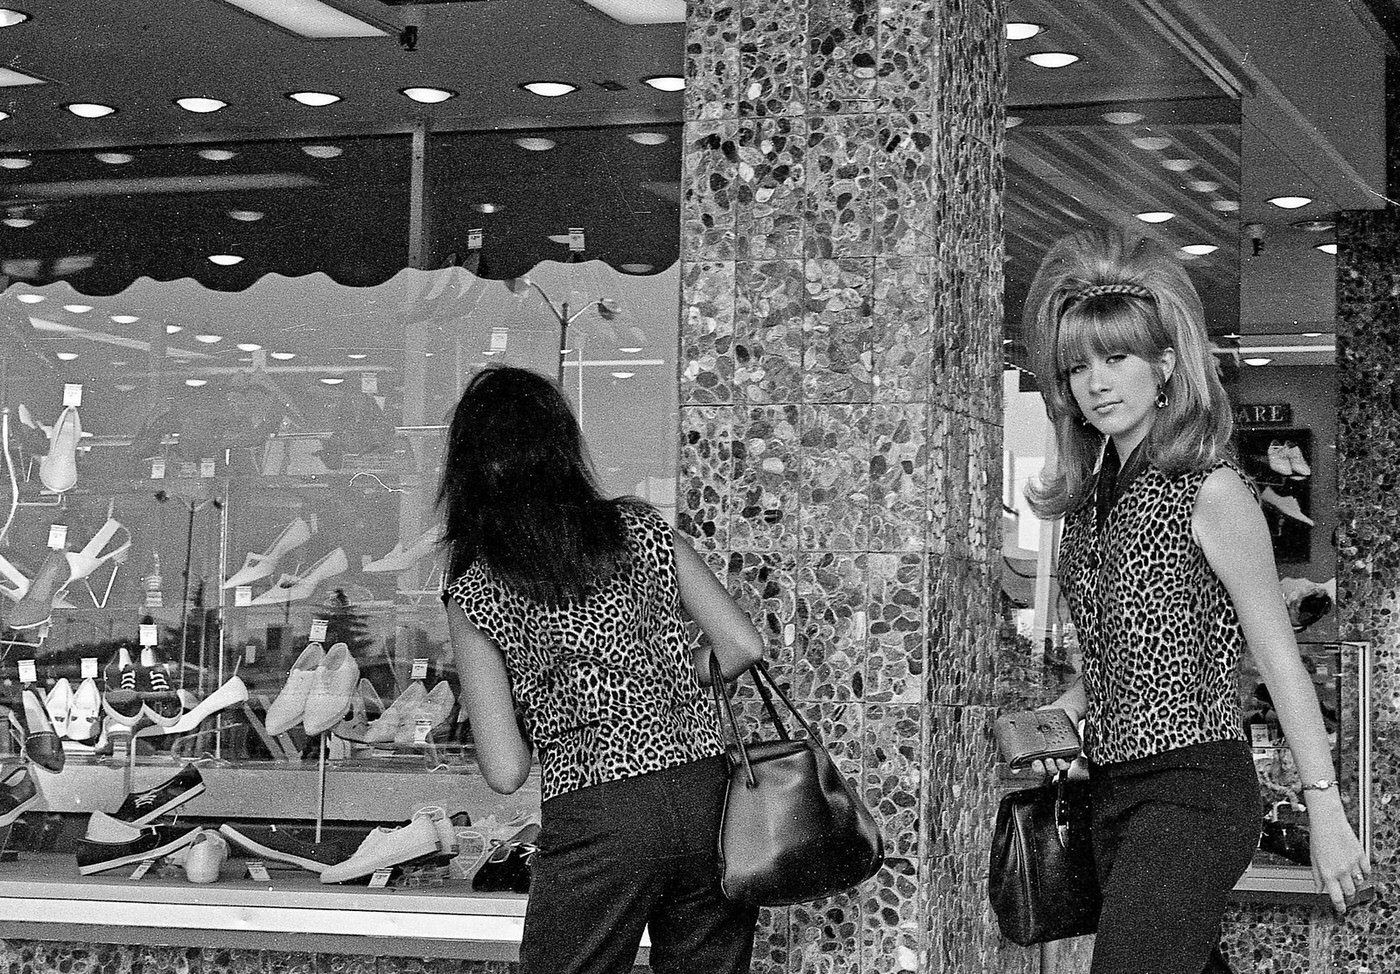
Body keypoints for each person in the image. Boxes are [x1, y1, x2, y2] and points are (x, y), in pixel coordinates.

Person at [1021, 229, 1370, 973]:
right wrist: (1065, 710)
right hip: (1111, 791)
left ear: (1166, 365)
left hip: (1194, 790)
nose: (1096, 382)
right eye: (1078, 365)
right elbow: (1134, 648)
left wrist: (1325, 810)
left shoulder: (1211, 491)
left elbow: (1279, 661)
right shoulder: (1089, 504)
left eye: (1116, 358)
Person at [436, 364, 764, 974]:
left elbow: (506, 772)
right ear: (563, 448)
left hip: (598, 811)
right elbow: (741, 644)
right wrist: (670, 682)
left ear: (470, 470)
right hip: (706, 797)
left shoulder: (477, 588)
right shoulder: (639, 529)